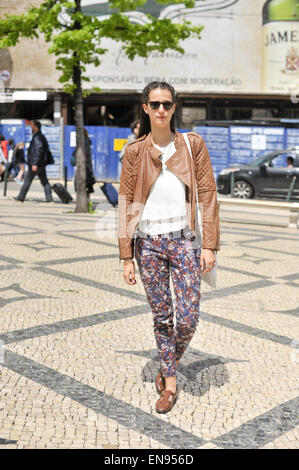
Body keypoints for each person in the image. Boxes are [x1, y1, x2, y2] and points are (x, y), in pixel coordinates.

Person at [118, 81, 220, 414]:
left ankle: (166, 363)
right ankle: (171, 383)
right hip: (148, 246)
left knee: (188, 318)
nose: (161, 109)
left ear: (174, 108)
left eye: (167, 103)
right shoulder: (134, 152)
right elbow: (127, 202)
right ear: (145, 108)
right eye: (155, 104)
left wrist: (210, 246)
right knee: (163, 318)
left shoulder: (192, 146)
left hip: (185, 242)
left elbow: (208, 195)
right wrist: (125, 255)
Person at [13, 120, 53, 202]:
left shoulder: (38, 137)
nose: (31, 127)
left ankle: (21, 197)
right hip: (40, 164)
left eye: (32, 126)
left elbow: (38, 150)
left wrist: (35, 163)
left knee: (27, 180)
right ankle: (49, 198)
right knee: (44, 181)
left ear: (36, 127)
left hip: (36, 164)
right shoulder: (39, 136)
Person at [74, 128, 96, 203]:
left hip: (84, 165)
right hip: (86, 165)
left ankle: (84, 200)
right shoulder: (85, 141)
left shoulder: (84, 142)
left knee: (84, 182)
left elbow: (85, 154)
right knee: (86, 183)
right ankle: (85, 199)